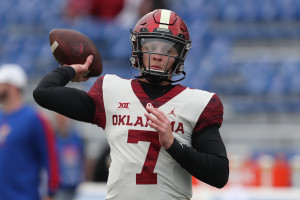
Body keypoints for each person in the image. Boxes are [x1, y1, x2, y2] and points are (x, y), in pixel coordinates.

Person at [33, 9, 229, 200]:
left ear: (179, 55)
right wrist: (70, 70)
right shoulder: (111, 91)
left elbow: (220, 175)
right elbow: (43, 93)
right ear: (138, 48)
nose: (159, 55)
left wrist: (172, 145)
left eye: (167, 49)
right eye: (151, 47)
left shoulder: (197, 103)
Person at [0, 64, 59, 200]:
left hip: (24, 195)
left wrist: (50, 192)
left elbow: (50, 156)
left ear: (12, 86)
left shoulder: (34, 118)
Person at [53, 113, 85, 200]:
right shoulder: (53, 138)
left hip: (76, 186)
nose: (62, 122)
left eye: (64, 119)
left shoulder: (76, 138)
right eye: (60, 120)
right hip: (60, 187)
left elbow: (82, 158)